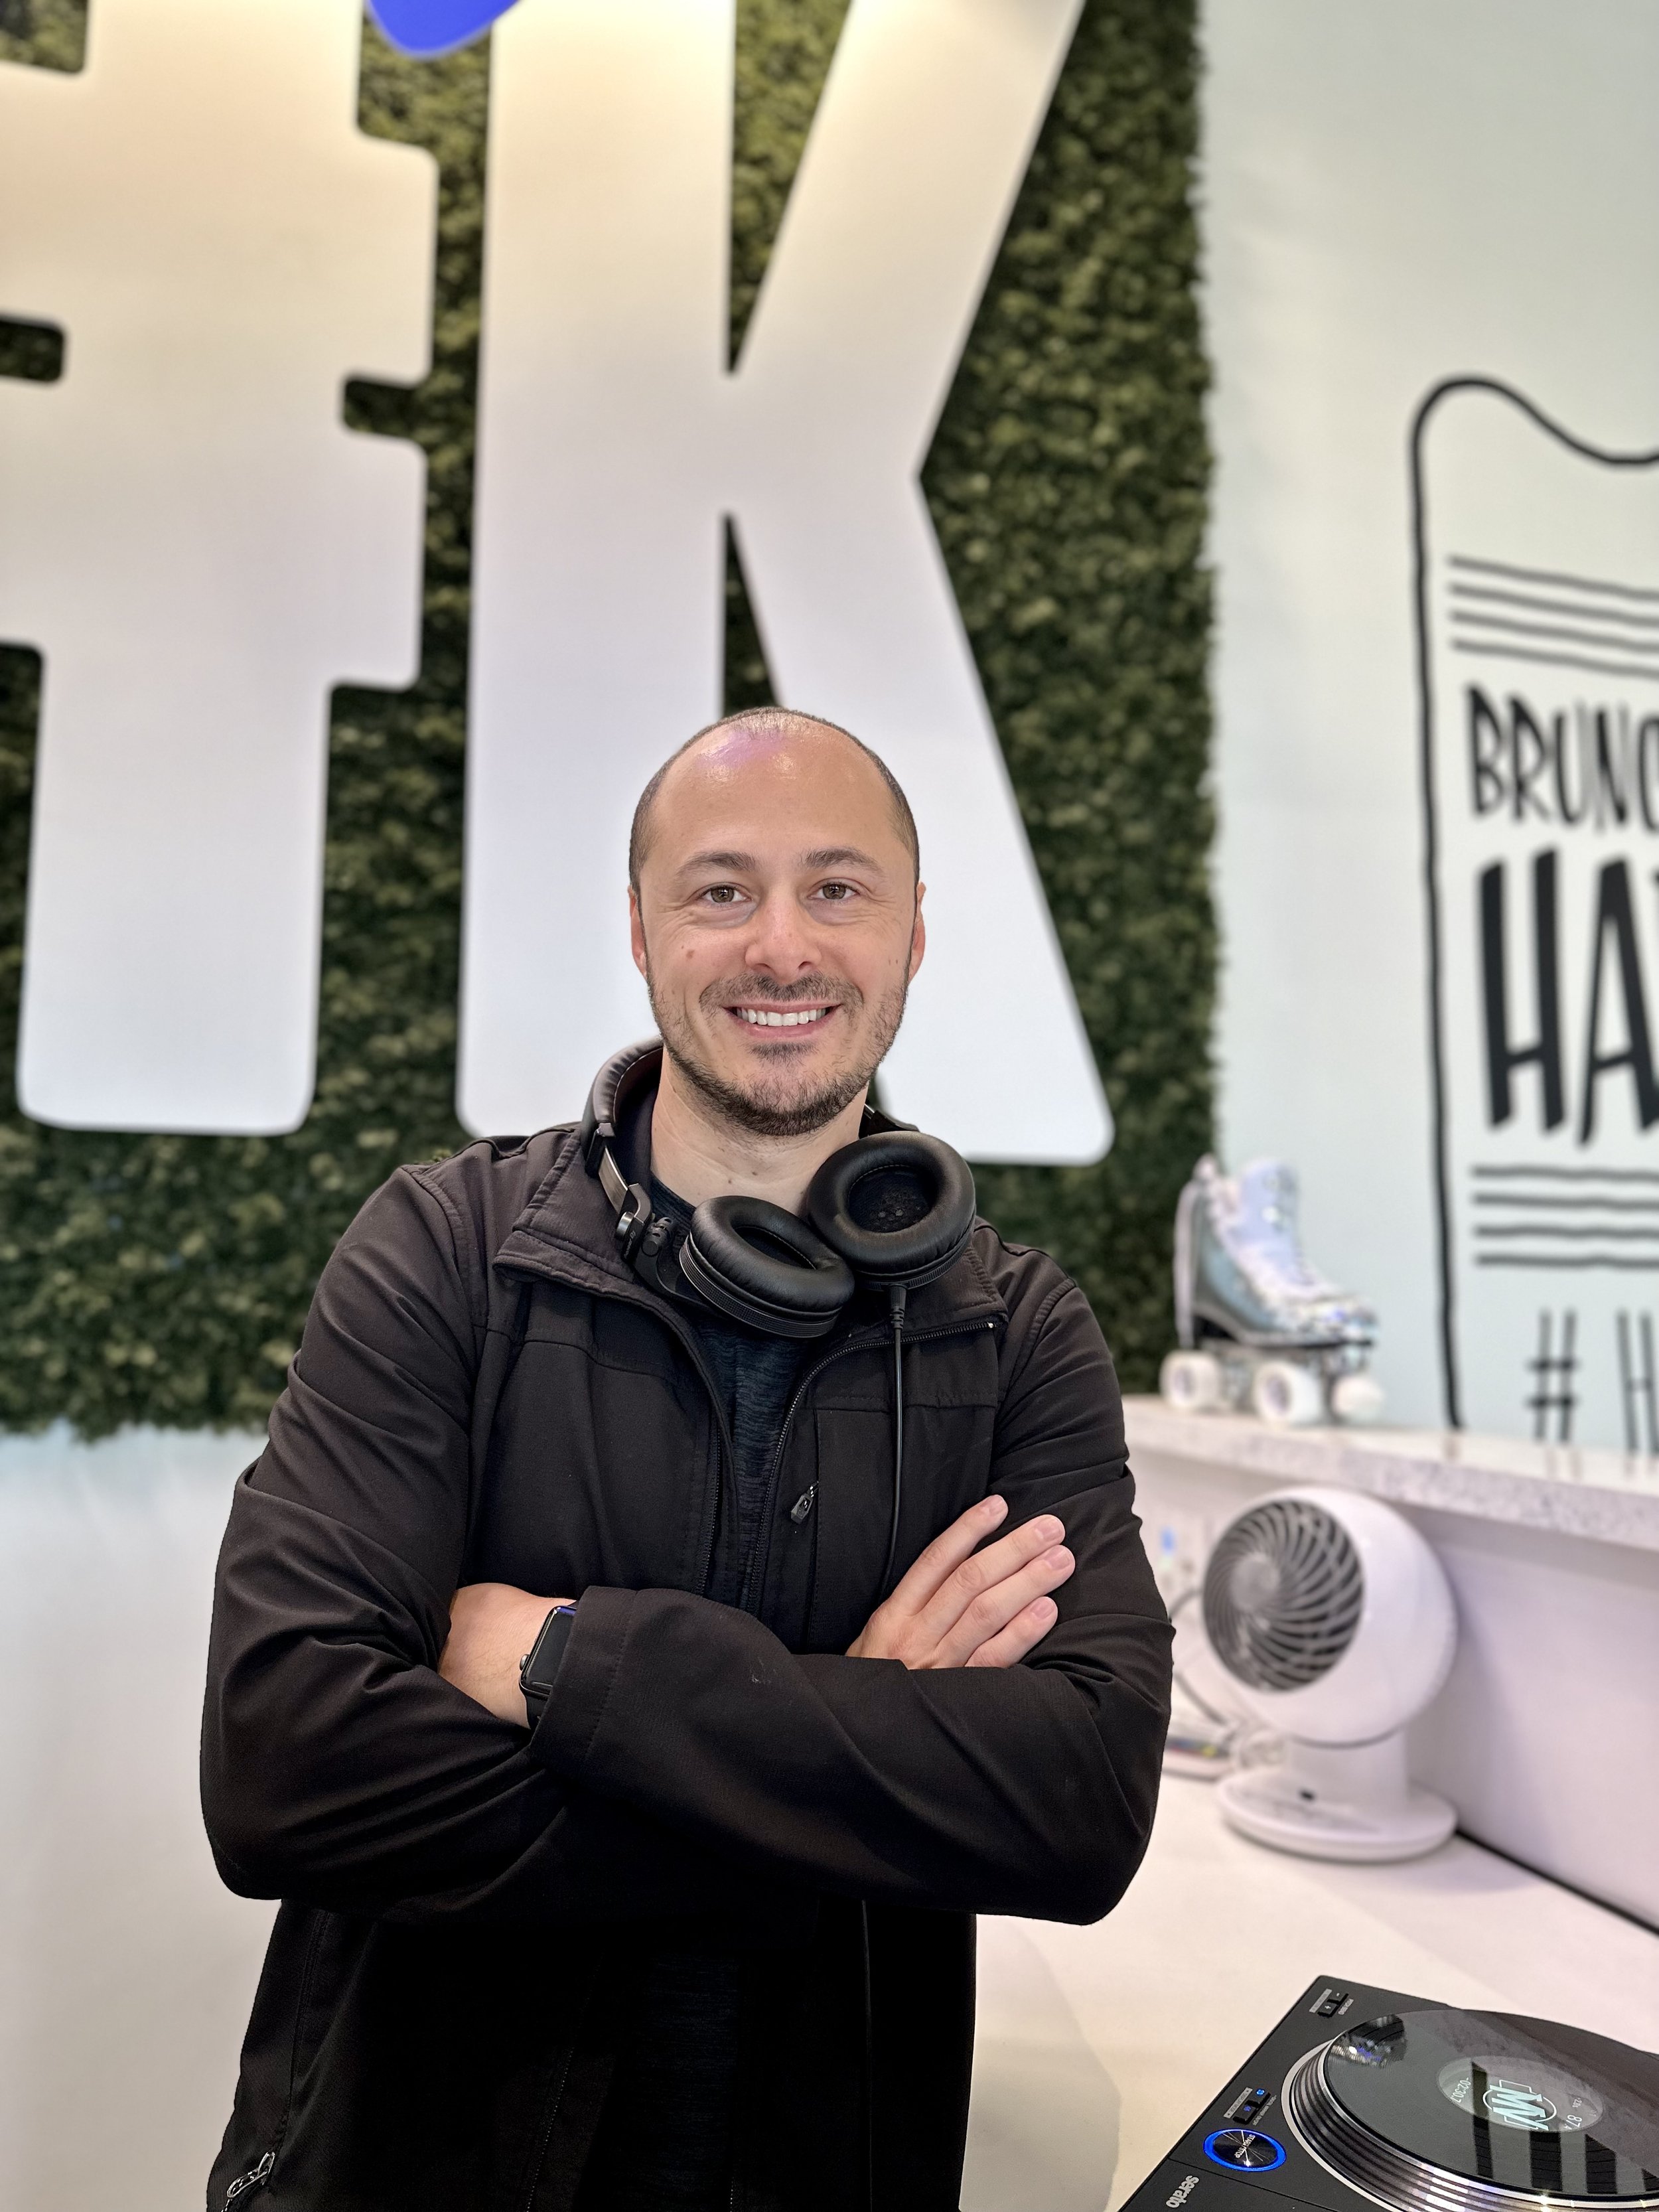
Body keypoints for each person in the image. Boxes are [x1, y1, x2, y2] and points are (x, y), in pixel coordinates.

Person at [201, 706, 1173, 2212]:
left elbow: (1080, 1805)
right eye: (720, 889)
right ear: (643, 935)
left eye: (835, 888)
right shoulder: (448, 1252)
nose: (780, 943)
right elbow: (287, 1765)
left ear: (915, 932)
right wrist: (863, 1739)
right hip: (413, 2162)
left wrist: (563, 1664)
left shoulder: (1014, 1328)